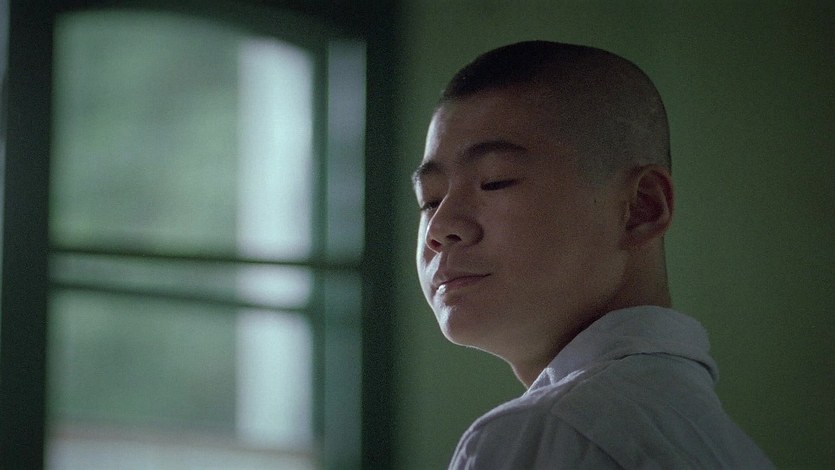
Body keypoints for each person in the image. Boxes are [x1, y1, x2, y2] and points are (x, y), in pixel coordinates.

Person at [412, 41, 773, 469]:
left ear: (641, 208)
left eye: (495, 181)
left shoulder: (544, 434)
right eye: (429, 200)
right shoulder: (714, 440)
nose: (439, 228)